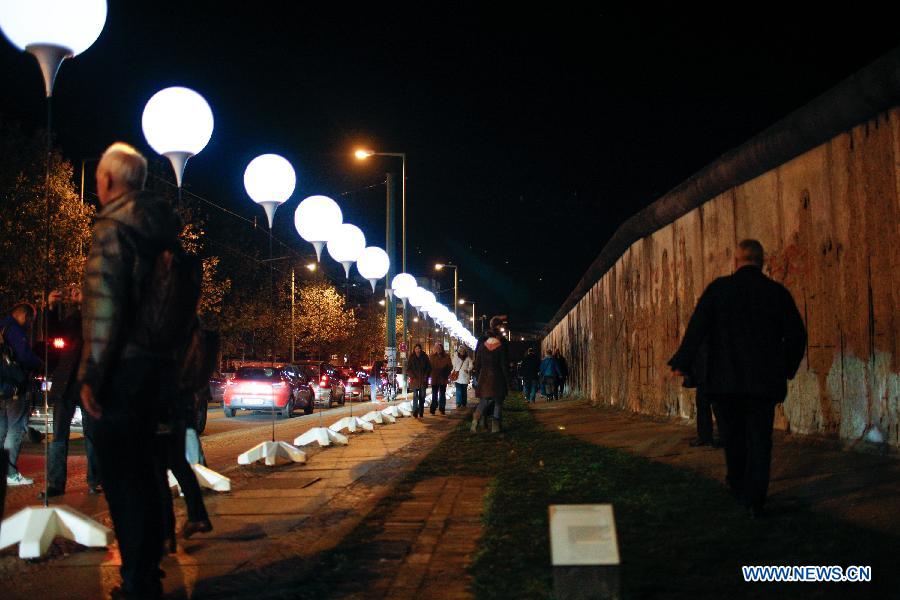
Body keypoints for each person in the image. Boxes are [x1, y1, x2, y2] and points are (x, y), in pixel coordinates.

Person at [78, 142, 185, 598]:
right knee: (146, 473)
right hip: (160, 369)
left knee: (121, 479)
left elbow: (106, 310)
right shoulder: (163, 228)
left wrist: (91, 378)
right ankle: (149, 573)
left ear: (107, 181)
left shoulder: (113, 227)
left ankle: (138, 582)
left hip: (123, 370)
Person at [668, 239, 807, 518]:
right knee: (759, 439)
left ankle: (737, 485)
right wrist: (785, 368)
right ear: (762, 260)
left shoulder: (719, 290)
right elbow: (797, 336)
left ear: (737, 261)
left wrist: (682, 361)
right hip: (763, 383)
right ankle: (755, 498)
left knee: (733, 437)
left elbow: (697, 328)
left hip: (725, 382)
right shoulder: (775, 293)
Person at [42, 286, 102, 497]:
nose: (75, 292)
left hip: (89, 385)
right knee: (58, 436)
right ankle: (55, 484)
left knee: (93, 436)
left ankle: (95, 480)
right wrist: (51, 307)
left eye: (80, 289)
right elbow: (53, 333)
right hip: (66, 384)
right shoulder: (73, 317)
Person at [1, 303, 42, 486]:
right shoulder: (15, 331)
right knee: (15, 429)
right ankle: (9, 473)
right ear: (23, 315)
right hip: (14, 387)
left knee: (1, 430)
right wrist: (40, 363)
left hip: (1, 387)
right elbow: (25, 356)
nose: (31, 323)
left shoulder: (2, 327)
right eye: (31, 319)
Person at [471, 317, 509, 433]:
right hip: (497, 377)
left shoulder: (482, 346)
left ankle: (475, 423)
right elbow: (504, 365)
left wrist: (477, 376)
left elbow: (477, 364)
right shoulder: (501, 346)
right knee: (498, 402)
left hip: (484, 378)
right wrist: (507, 379)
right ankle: (496, 427)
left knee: (483, 402)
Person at [406, 344, 430, 418]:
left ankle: (421, 411)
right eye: (416, 349)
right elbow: (408, 369)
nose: (417, 350)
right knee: (415, 396)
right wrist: (412, 376)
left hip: (423, 380)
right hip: (415, 380)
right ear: (414, 349)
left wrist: (426, 375)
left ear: (420, 349)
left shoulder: (425, 356)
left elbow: (428, 368)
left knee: (422, 396)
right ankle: (415, 411)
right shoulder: (412, 357)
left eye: (419, 348)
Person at [428, 343, 452, 415]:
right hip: (435, 378)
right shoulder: (431, 357)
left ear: (441, 349)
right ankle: (433, 408)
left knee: (442, 394)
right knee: (434, 394)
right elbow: (428, 366)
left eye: (439, 348)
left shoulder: (446, 356)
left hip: (443, 378)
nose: (437, 349)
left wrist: (446, 373)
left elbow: (450, 366)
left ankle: (442, 408)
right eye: (436, 348)